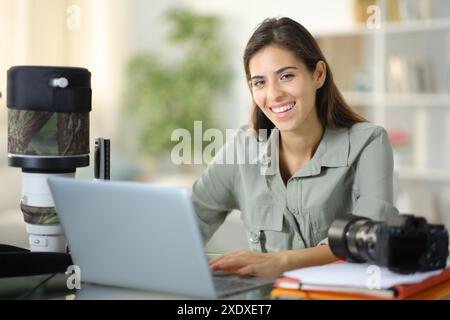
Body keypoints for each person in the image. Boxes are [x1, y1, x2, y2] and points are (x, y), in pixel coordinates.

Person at [191, 17, 399, 277]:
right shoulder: (242, 148)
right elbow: (188, 222)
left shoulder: (368, 143)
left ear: (318, 74)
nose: (274, 94)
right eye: (260, 82)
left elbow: (368, 238)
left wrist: (282, 261)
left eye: (286, 76)